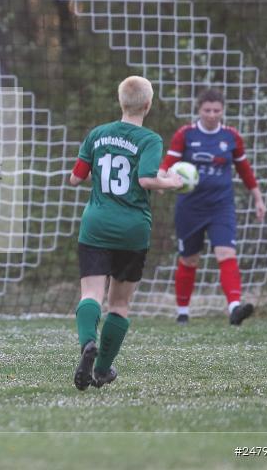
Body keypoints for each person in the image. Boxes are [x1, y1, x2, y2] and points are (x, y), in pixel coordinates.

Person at [68, 76, 182, 390]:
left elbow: (75, 179)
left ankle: (88, 342)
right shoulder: (149, 139)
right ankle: (102, 369)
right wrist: (171, 182)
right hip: (132, 230)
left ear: (121, 102)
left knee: (91, 293)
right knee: (119, 304)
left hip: (96, 225)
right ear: (147, 104)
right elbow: (146, 180)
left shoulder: (98, 134)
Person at [159, 88, 266, 326]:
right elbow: (168, 163)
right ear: (199, 110)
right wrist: (160, 180)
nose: (212, 115)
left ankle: (235, 308)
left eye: (217, 110)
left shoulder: (231, 137)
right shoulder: (185, 134)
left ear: (222, 111)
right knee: (189, 259)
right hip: (190, 207)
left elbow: (244, 170)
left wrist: (258, 197)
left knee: (226, 253)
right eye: (207, 110)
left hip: (221, 206)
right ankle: (183, 312)